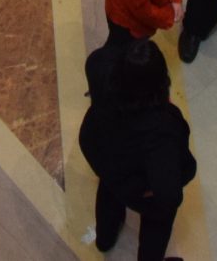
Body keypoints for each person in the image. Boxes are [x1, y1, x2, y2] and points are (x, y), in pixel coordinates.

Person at [78, 37, 195, 261]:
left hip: (103, 155)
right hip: (136, 183)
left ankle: (105, 238)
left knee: (109, 192)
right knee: (158, 219)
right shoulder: (163, 128)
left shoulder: (98, 64)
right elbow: (170, 194)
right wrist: (147, 190)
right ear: (162, 82)